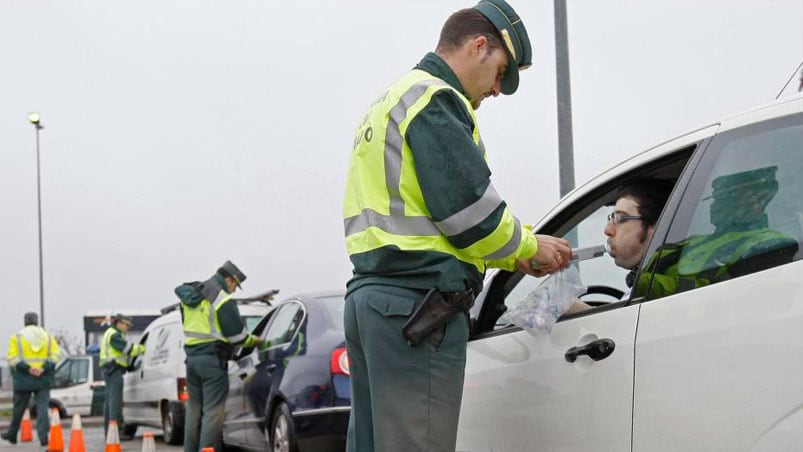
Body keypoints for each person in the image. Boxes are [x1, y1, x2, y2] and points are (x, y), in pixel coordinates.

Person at [341, 1, 572, 450]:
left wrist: (507, 251)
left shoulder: (390, 100)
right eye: (500, 71)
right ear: (479, 45)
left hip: (373, 302)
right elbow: (470, 215)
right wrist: (527, 247)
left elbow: (428, 218)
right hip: (418, 308)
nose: (497, 90)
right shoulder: (435, 100)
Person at [642, 166, 798, 298]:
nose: (713, 205)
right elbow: (640, 273)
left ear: (755, 201)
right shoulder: (688, 243)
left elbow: (720, 295)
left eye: (723, 198)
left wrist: (648, 284)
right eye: (714, 198)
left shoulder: (770, 244)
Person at [176, 260, 263, 452]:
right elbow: (237, 337)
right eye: (235, 285)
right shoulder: (222, 299)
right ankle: (207, 449)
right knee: (213, 412)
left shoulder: (192, 294)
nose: (234, 290)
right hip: (213, 361)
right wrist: (255, 340)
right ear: (229, 280)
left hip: (191, 360)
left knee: (194, 410)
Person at [567, 180, 674, 313]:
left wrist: (580, 312)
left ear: (657, 227)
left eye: (621, 218)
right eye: (611, 218)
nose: (608, 230)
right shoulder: (656, 283)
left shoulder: (663, 288)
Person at [1, 312, 61, 447]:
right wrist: (43, 368)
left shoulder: (16, 337)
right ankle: (43, 436)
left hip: (23, 379)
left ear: (25, 321)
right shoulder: (47, 337)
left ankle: (12, 434)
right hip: (43, 378)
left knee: (19, 408)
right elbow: (56, 355)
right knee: (42, 408)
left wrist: (28, 369)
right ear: (37, 321)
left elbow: (12, 358)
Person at [100, 313, 145, 438]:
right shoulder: (114, 335)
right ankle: (116, 433)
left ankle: (110, 433)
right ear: (119, 323)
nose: (128, 328)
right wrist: (143, 348)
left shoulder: (110, 333)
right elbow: (128, 349)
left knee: (110, 404)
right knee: (115, 404)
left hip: (110, 370)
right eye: (126, 325)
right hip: (114, 370)